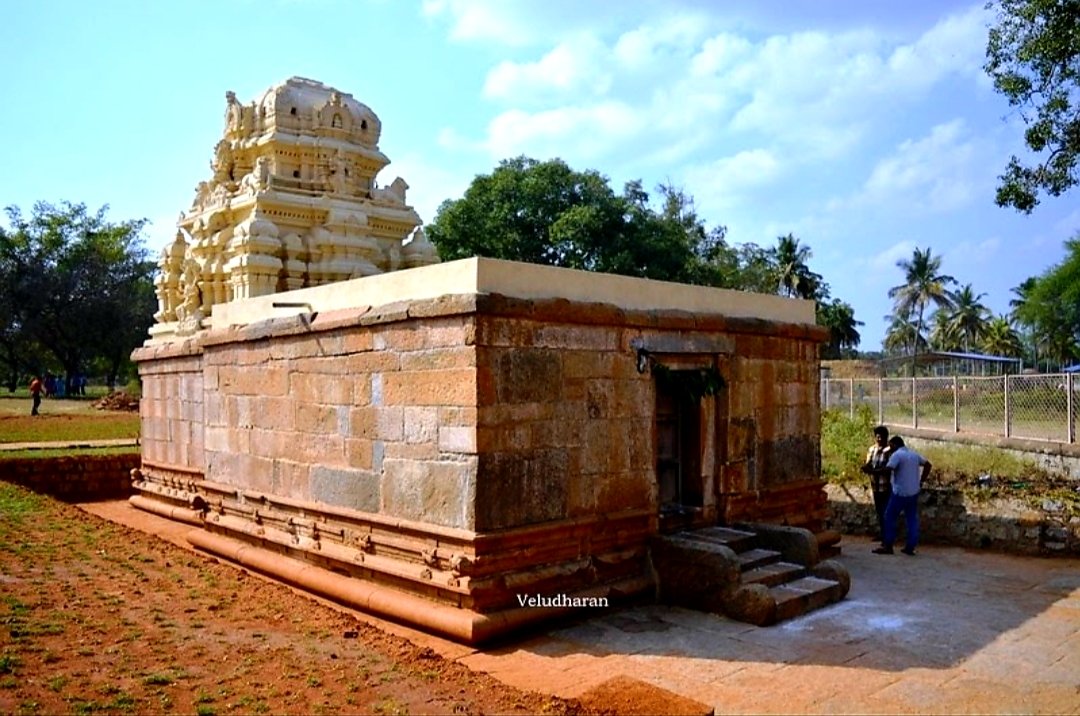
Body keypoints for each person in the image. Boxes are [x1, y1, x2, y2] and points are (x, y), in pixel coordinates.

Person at [874, 436, 932, 556]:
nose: (890, 449)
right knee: (911, 519)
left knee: (889, 516)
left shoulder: (897, 455)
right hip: (913, 492)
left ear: (894, 445)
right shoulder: (913, 454)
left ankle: (888, 545)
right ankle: (910, 547)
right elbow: (928, 465)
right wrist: (921, 481)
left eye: (891, 446)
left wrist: (873, 471)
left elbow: (888, 469)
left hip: (900, 492)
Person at [860, 425, 892, 543]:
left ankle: (887, 536)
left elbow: (888, 469)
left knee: (886, 512)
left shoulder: (889, 451)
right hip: (875, 486)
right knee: (879, 511)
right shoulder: (872, 449)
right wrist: (866, 467)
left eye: (881, 437)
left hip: (886, 486)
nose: (879, 439)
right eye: (877, 437)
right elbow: (869, 463)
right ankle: (882, 534)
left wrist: (872, 471)